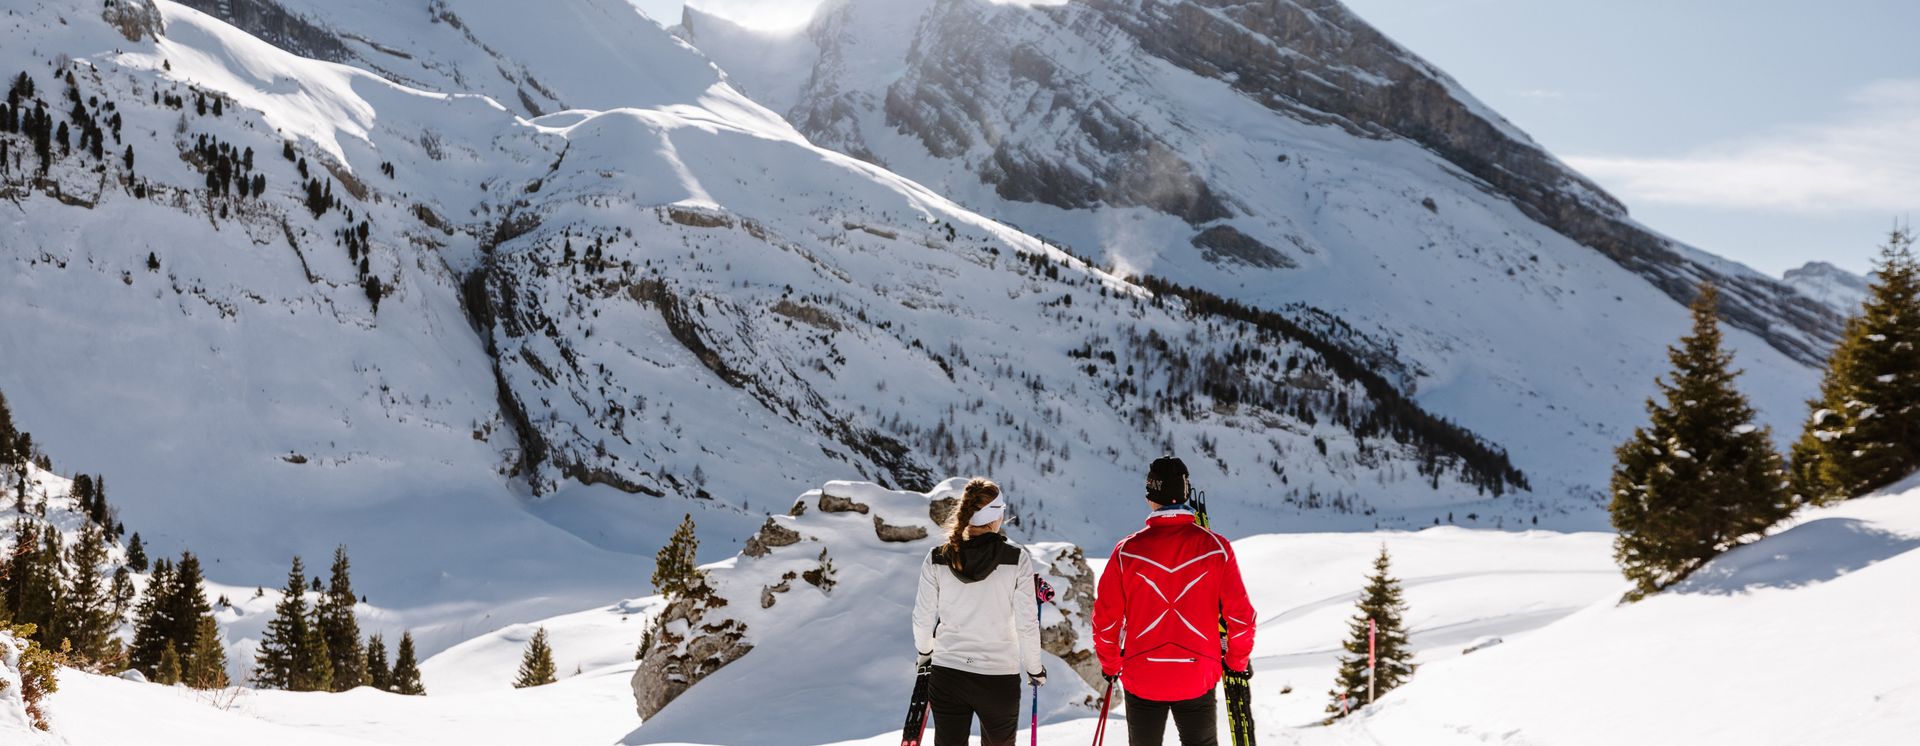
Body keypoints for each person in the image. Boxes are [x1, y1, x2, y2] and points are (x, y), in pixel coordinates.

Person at [1092, 456, 1256, 746]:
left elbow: (1106, 620)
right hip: (1197, 673)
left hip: (1142, 674)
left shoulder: (1127, 551)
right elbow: (1241, 618)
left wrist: (1111, 664)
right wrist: (1235, 661)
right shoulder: (1216, 548)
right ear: (1186, 494)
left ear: (1150, 498)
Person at [912, 478, 1047, 746]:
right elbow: (1026, 624)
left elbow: (922, 616)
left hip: (948, 673)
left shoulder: (938, 557)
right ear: (997, 515)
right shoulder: (1016, 559)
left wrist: (926, 653)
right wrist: (1034, 669)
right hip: (998, 679)